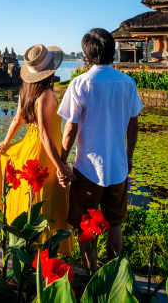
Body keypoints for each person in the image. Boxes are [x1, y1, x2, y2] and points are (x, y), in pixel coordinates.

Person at [57, 28, 143, 272]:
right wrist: (129, 155)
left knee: (87, 224)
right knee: (115, 223)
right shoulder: (127, 83)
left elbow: (70, 130)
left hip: (88, 168)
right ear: (111, 50)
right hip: (118, 167)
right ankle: (115, 274)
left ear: (87, 54)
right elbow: (133, 124)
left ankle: (92, 273)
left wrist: (62, 161)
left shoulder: (80, 84)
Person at [0, 43, 73, 255]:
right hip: (44, 152)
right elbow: (45, 133)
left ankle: (25, 250)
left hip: (28, 147)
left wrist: (6, 143)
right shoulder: (46, 95)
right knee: (47, 202)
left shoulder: (25, 91)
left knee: (29, 199)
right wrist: (60, 165)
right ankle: (45, 253)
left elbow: (17, 119)